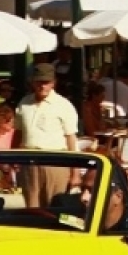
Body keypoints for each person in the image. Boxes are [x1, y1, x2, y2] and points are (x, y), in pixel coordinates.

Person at [12, 63, 80, 207]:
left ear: (53, 83)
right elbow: (18, 132)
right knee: (31, 207)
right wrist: (13, 159)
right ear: (33, 82)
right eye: (39, 82)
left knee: (55, 206)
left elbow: (71, 139)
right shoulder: (24, 103)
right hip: (29, 161)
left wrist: (75, 173)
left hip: (55, 161)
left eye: (46, 82)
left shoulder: (63, 105)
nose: (42, 86)